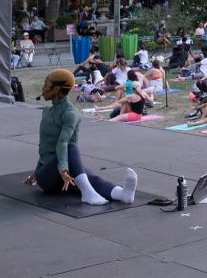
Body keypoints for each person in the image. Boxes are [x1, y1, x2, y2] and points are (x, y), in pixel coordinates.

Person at [25, 69, 139, 206]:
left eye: (45, 84)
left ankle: (121, 194)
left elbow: (62, 143)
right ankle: (88, 192)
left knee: (89, 175)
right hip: (47, 178)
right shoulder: (47, 112)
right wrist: (42, 171)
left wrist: (63, 169)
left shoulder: (70, 114)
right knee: (71, 149)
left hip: (62, 171)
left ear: (56, 89)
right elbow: (46, 149)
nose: (43, 88)